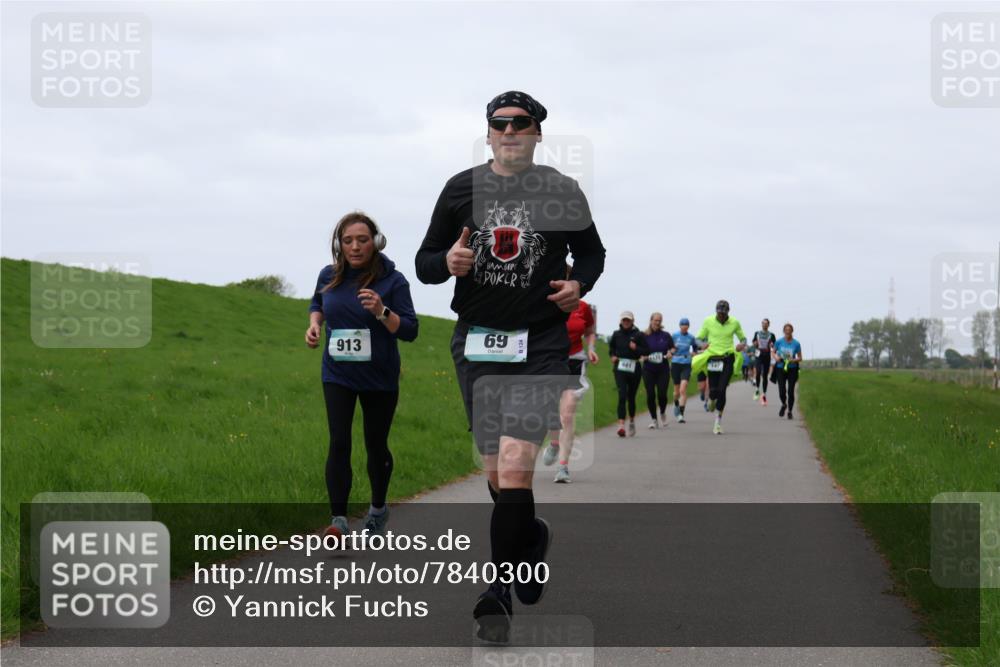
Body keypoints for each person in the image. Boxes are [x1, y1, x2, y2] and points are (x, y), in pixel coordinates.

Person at [414, 90, 606, 643]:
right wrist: (446, 262)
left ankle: (496, 592)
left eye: (521, 123)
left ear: (538, 133)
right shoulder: (460, 188)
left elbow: (592, 253)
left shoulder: (561, 190)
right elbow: (426, 261)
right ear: (489, 131)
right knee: (498, 475)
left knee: (520, 465)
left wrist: (579, 284)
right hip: (476, 342)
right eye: (500, 124)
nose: (510, 131)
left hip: (541, 342)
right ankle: (530, 540)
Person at [306, 212, 419, 541]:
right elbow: (318, 301)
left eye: (362, 240)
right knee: (339, 441)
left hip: (379, 377)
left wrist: (382, 311)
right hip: (337, 372)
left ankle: (378, 509)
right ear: (339, 244)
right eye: (347, 240)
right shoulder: (329, 275)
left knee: (375, 445)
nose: (355, 247)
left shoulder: (392, 281)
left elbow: (410, 330)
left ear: (376, 242)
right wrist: (314, 325)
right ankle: (338, 519)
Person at [542, 272, 598, 483]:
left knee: (567, 414)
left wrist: (591, 348)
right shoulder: (544, 302)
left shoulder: (583, 307)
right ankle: (555, 443)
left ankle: (563, 467)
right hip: (549, 360)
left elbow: (590, 330)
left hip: (574, 361)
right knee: (549, 411)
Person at [691, 300, 747, 435]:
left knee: (722, 390)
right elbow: (698, 338)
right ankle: (711, 398)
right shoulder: (708, 321)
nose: (721, 316)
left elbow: (743, 338)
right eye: (719, 313)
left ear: (728, 312)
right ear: (716, 311)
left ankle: (718, 422)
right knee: (714, 389)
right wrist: (701, 345)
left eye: (724, 313)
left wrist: (741, 344)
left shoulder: (734, 322)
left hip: (728, 358)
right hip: (712, 358)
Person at [609, 311, 648, 437]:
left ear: (632, 321)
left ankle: (631, 421)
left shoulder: (639, 335)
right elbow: (611, 349)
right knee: (622, 394)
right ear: (621, 321)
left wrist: (636, 348)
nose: (626, 322)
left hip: (634, 367)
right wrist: (613, 356)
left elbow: (647, 350)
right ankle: (621, 425)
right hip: (620, 368)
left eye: (628, 320)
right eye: (624, 320)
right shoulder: (616, 334)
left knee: (631, 397)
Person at [642, 312, 673, 429]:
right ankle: (654, 419)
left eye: (659, 321)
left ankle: (663, 412)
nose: (657, 322)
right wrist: (641, 355)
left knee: (662, 394)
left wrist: (671, 353)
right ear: (651, 321)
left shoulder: (665, 335)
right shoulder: (644, 335)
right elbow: (639, 349)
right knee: (650, 395)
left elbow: (673, 348)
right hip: (648, 369)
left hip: (663, 369)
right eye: (655, 320)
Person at [669, 317, 698, 423]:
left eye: (686, 326)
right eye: (683, 325)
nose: (684, 327)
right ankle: (676, 403)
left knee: (683, 389)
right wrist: (671, 351)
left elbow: (695, 348)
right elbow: (669, 348)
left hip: (686, 364)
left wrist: (694, 353)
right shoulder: (675, 336)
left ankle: (681, 414)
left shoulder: (691, 337)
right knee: (676, 392)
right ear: (680, 326)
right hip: (676, 363)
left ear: (688, 327)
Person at [773, 322, 803, 419]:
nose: (788, 332)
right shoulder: (779, 342)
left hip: (792, 369)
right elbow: (773, 352)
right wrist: (776, 357)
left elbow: (800, 357)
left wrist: (793, 360)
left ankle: (790, 411)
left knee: (790, 391)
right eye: (786, 330)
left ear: (792, 331)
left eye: (789, 331)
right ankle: (784, 404)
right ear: (784, 331)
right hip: (780, 368)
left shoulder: (796, 343)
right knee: (782, 391)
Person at [752, 319, 776, 404]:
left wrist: (772, 345)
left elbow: (774, 345)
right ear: (761, 324)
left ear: (768, 325)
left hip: (766, 355)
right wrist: (755, 343)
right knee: (758, 372)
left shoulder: (771, 335)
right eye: (763, 323)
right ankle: (757, 389)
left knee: (765, 375)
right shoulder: (757, 333)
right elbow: (754, 342)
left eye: (766, 324)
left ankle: (764, 395)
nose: (764, 325)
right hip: (758, 354)